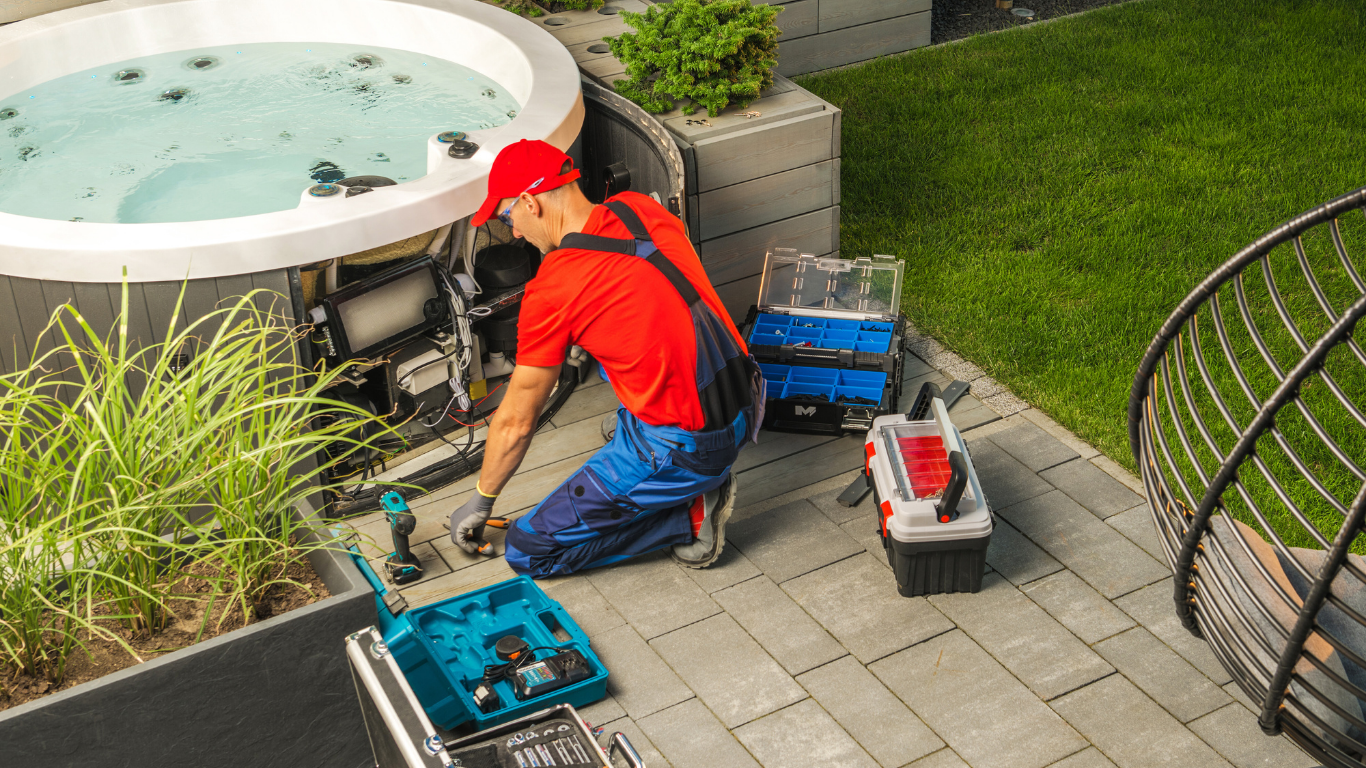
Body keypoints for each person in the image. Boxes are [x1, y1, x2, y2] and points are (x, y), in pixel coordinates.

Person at [447, 139, 763, 578]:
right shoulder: (638, 207)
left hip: (691, 446)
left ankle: (687, 516)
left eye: (507, 217)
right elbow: (658, 293)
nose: (514, 232)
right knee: (616, 372)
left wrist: (480, 499)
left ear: (528, 202)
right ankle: (670, 470)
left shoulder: (555, 288)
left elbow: (518, 422)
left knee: (528, 550)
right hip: (745, 395)